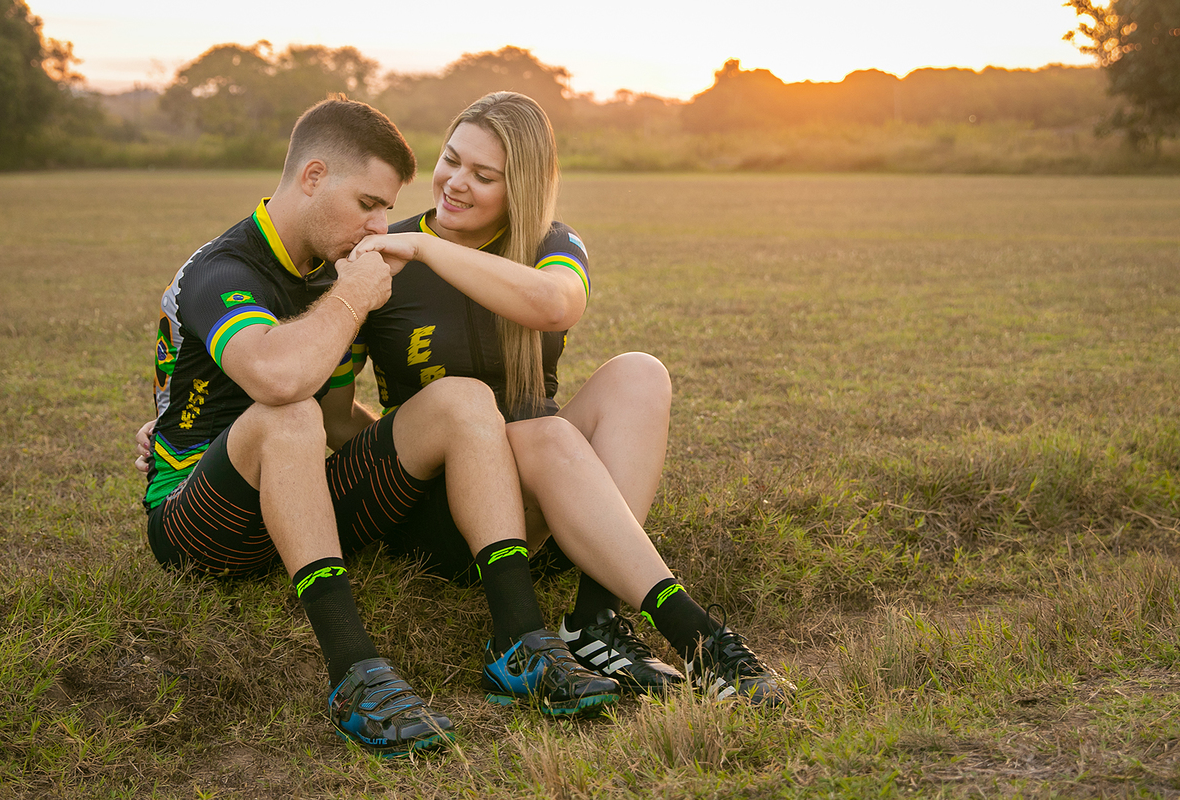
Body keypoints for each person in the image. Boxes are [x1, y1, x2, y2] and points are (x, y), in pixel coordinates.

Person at [137, 95, 620, 760]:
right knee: (289, 413)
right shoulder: (224, 268)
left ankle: (519, 642)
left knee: (461, 397)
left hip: (300, 496)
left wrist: (444, 456)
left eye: (387, 207)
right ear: (312, 177)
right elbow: (280, 382)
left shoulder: (320, 267)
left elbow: (342, 422)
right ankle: (355, 674)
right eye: (367, 203)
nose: (381, 223)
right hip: (201, 520)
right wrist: (358, 292)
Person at [345, 91, 795, 706]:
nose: (455, 183)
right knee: (539, 430)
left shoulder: (551, 241)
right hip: (447, 518)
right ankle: (697, 635)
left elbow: (557, 304)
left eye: (484, 175)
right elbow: (332, 411)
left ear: (522, 187)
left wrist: (429, 248)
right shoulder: (385, 253)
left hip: (549, 502)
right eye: (451, 160)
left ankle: (593, 618)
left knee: (639, 373)